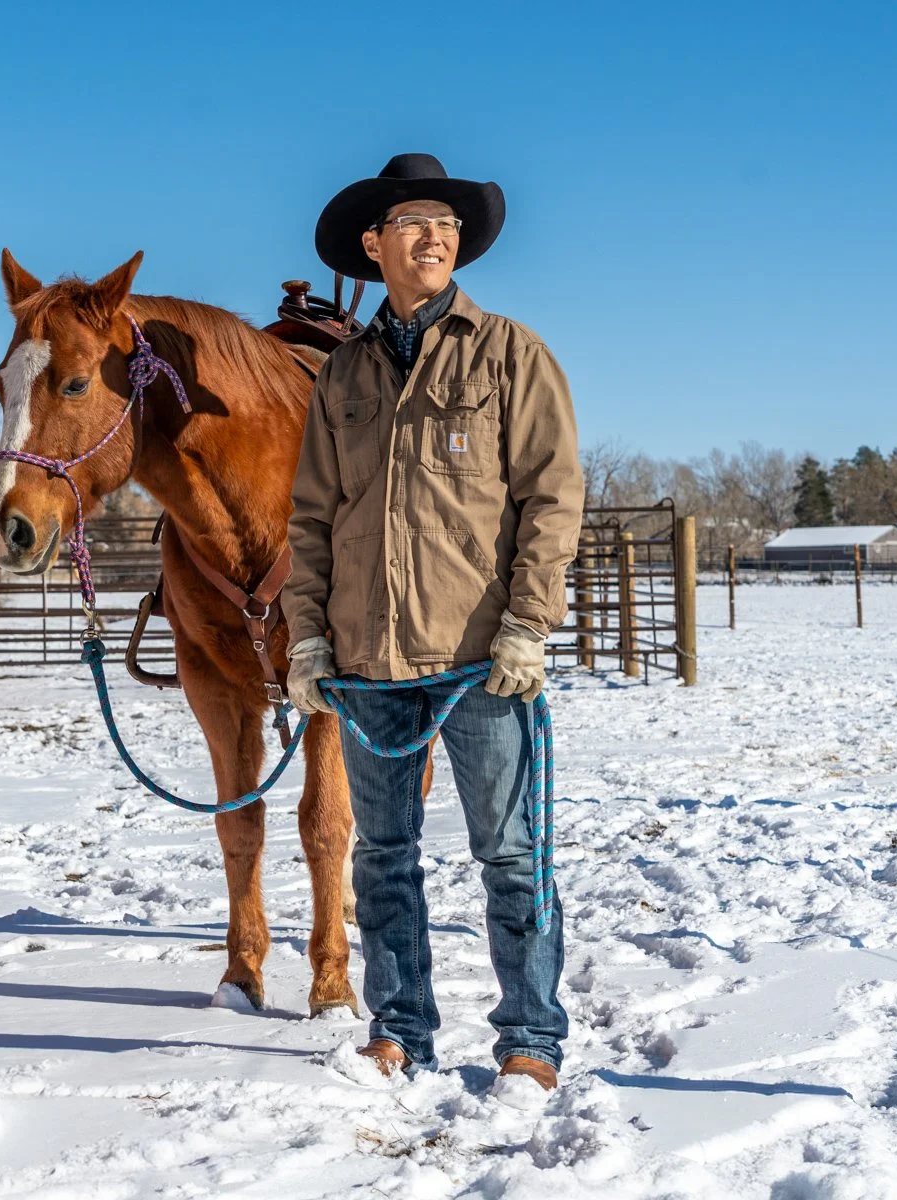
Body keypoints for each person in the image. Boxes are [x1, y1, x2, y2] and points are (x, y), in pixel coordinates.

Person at [282, 153, 585, 1095]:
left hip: (480, 661)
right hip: (369, 662)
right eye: (413, 221)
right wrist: (306, 637)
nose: (434, 236)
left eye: (447, 224)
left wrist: (529, 623)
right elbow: (312, 519)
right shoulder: (342, 377)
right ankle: (400, 1028)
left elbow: (552, 498)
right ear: (374, 245)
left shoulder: (510, 354)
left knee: (510, 854)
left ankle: (530, 1037)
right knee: (383, 857)